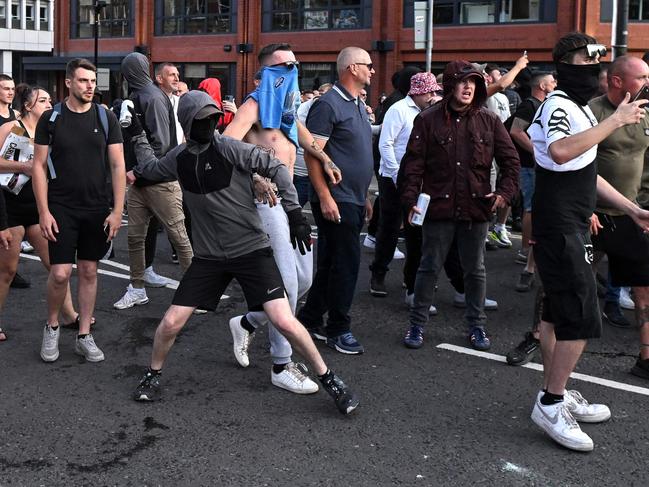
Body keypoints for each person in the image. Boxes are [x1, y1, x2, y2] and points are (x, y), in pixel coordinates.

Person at [127, 90, 359, 414]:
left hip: (250, 250)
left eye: (212, 118)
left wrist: (294, 214)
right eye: (201, 120)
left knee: (285, 319)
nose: (209, 124)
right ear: (188, 124)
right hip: (208, 258)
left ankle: (331, 380)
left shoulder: (230, 148)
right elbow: (150, 169)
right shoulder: (179, 158)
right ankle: (153, 374)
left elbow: (275, 166)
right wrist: (135, 134)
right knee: (170, 322)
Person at [527, 33, 649, 452]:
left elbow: (586, 170)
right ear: (564, 64)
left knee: (557, 314)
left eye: (598, 59)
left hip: (573, 218)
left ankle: (556, 391)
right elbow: (560, 152)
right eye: (585, 59)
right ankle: (551, 401)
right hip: (560, 224)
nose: (595, 66)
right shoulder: (558, 105)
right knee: (579, 314)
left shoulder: (578, 109)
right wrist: (615, 121)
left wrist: (632, 210)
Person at [399, 60, 520, 351]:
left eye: (474, 82)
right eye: (463, 82)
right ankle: (416, 325)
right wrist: (410, 199)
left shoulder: (489, 120)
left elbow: (510, 161)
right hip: (438, 206)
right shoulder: (427, 119)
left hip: (476, 207)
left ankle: (476, 327)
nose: (468, 88)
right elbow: (413, 164)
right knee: (428, 267)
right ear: (450, 85)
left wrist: (504, 193)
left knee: (475, 270)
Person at [32, 58, 126, 363]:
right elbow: (38, 166)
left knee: (88, 270)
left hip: (97, 207)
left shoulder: (105, 116)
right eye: (83, 81)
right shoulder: (51, 118)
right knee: (60, 273)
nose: (90, 86)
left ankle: (84, 334)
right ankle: (53, 326)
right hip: (61, 207)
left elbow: (118, 165)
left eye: (93, 81)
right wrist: (43, 211)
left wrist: (116, 211)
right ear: (69, 83)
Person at [297, 47, 375, 354]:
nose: (372, 69)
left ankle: (310, 317)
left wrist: (365, 194)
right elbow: (313, 154)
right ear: (352, 68)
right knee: (346, 264)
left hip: (352, 197)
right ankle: (338, 329)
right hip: (336, 198)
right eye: (367, 65)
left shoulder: (356, 102)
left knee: (332, 263)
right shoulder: (328, 105)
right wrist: (325, 195)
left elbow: (357, 153)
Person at [0, 85, 91, 342]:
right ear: (28, 106)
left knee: (56, 264)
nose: (50, 104)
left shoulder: (51, 131)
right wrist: (25, 166)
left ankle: (70, 315)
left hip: (39, 208)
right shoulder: (10, 128)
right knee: (7, 270)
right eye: (43, 100)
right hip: (9, 208)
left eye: (51, 100)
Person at [115, 54, 193, 310]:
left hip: (158, 181)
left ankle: (196, 292)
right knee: (135, 238)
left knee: (179, 237)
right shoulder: (143, 96)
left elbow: (160, 144)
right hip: (142, 181)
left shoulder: (150, 97)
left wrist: (137, 171)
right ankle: (137, 287)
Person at [587, 55, 649, 379]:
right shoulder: (592, 113)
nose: (647, 83)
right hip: (594, 215)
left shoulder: (644, 114)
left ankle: (646, 359)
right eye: (641, 78)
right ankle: (537, 337)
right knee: (566, 281)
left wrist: (642, 206)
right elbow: (577, 164)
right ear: (616, 81)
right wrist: (585, 209)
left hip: (630, 213)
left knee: (644, 285)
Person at [369, 72, 441, 298]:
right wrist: (396, 174)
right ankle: (378, 274)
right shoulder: (399, 109)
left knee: (416, 231)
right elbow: (386, 143)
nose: (432, 96)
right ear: (418, 92)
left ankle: (413, 279)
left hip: (419, 178)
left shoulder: (430, 112)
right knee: (389, 228)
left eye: (434, 92)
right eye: (429, 92)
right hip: (393, 177)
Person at [510, 71, 557, 293]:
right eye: (552, 81)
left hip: (540, 166)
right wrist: (539, 153)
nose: (555, 84)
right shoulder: (529, 105)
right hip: (530, 166)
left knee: (539, 209)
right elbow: (516, 131)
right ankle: (525, 250)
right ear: (542, 85)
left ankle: (530, 259)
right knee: (531, 206)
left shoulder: (547, 105)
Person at [0, 73, 31, 290]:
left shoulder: (17, 115)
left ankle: (12, 271)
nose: (10, 91)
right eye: (5, 88)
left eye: (12, 88)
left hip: (12, 178)